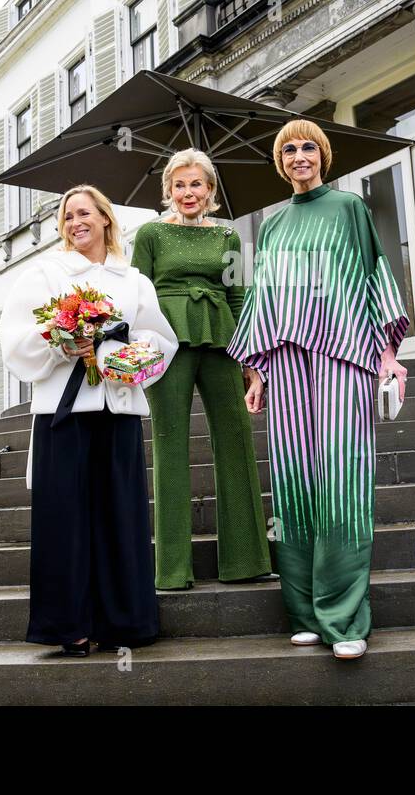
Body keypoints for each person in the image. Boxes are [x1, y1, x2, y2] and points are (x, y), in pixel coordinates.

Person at [226, 118, 409, 660]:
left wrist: (389, 353)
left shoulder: (350, 207)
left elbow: (373, 273)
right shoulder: (274, 224)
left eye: (308, 147)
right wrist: (254, 372)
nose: (299, 155)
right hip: (284, 360)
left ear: (323, 157)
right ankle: (304, 612)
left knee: (343, 479)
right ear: (279, 162)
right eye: (288, 149)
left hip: (343, 355)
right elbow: (262, 296)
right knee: (293, 481)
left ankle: (344, 617)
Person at [0, 184, 178, 656]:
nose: (75, 222)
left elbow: (161, 340)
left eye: (83, 213)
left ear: (105, 218)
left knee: (121, 516)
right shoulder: (44, 273)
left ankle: (125, 621)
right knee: (65, 520)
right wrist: (63, 344)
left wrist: (117, 357)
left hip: (118, 410)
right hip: (65, 414)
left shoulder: (134, 279)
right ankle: (70, 625)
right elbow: (15, 338)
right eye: (66, 217)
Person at [131, 149, 272, 591]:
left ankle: (246, 559)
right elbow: (138, 295)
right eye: (179, 184)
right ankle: (173, 569)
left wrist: (252, 362)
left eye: (197, 184)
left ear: (210, 190)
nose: (188, 192)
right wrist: (138, 351)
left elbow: (239, 297)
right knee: (169, 443)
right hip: (166, 341)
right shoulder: (150, 234)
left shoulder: (229, 239)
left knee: (235, 439)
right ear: (168, 190)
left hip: (222, 339)